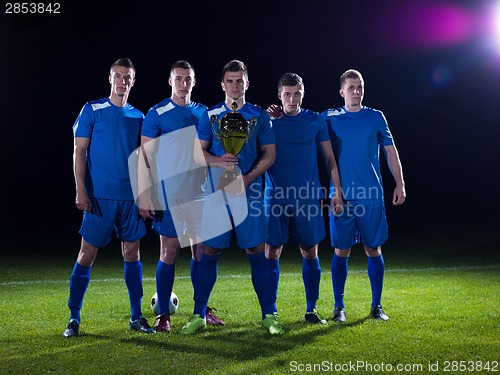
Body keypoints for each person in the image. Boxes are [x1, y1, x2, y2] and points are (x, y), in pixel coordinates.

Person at [180, 59, 282, 334]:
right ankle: (199, 314)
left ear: (247, 84)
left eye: (240, 81)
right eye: (230, 81)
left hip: (250, 194)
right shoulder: (210, 115)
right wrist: (217, 160)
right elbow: (197, 154)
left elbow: (270, 155)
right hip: (216, 195)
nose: (235, 86)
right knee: (209, 251)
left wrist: (247, 178)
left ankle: (269, 315)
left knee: (256, 251)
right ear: (222, 84)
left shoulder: (259, 116)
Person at [63, 58, 155, 338]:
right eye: (118, 75)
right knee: (86, 255)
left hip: (129, 199)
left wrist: (144, 196)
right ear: (110, 78)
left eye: (127, 77)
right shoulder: (92, 109)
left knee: (132, 253)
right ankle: (74, 318)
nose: (122, 81)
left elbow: (144, 160)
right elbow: (79, 152)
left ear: (133, 81)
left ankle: (136, 317)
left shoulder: (138, 117)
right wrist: (80, 188)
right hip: (99, 198)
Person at [138, 60, 225, 333]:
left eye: (188, 79)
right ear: (170, 80)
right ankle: (163, 315)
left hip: (199, 194)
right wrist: (145, 194)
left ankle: (202, 310)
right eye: (179, 78)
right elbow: (144, 157)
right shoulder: (157, 113)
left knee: (201, 254)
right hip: (168, 195)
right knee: (170, 252)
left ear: (194, 82)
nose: (183, 83)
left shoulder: (203, 113)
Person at [321, 69, 406, 322]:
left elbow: (391, 152)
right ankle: (339, 307)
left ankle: (377, 306)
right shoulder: (329, 117)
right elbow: (302, 123)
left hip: (371, 194)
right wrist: (279, 115)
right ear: (341, 91)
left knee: (373, 248)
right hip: (341, 196)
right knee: (341, 250)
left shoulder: (375, 117)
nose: (356, 91)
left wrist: (400, 184)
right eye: (351, 87)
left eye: (359, 87)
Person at [264, 73, 344, 325]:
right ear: (279, 95)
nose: (292, 99)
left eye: (296, 93)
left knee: (310, 251)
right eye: (287, 94)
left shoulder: (315, 121)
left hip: (307, 198)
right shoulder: (269, 121)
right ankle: (270, 311)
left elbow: (330, 159)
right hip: (275, 197)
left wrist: (336, 190)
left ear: (303, 93)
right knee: (272, 250)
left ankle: (311, 310)